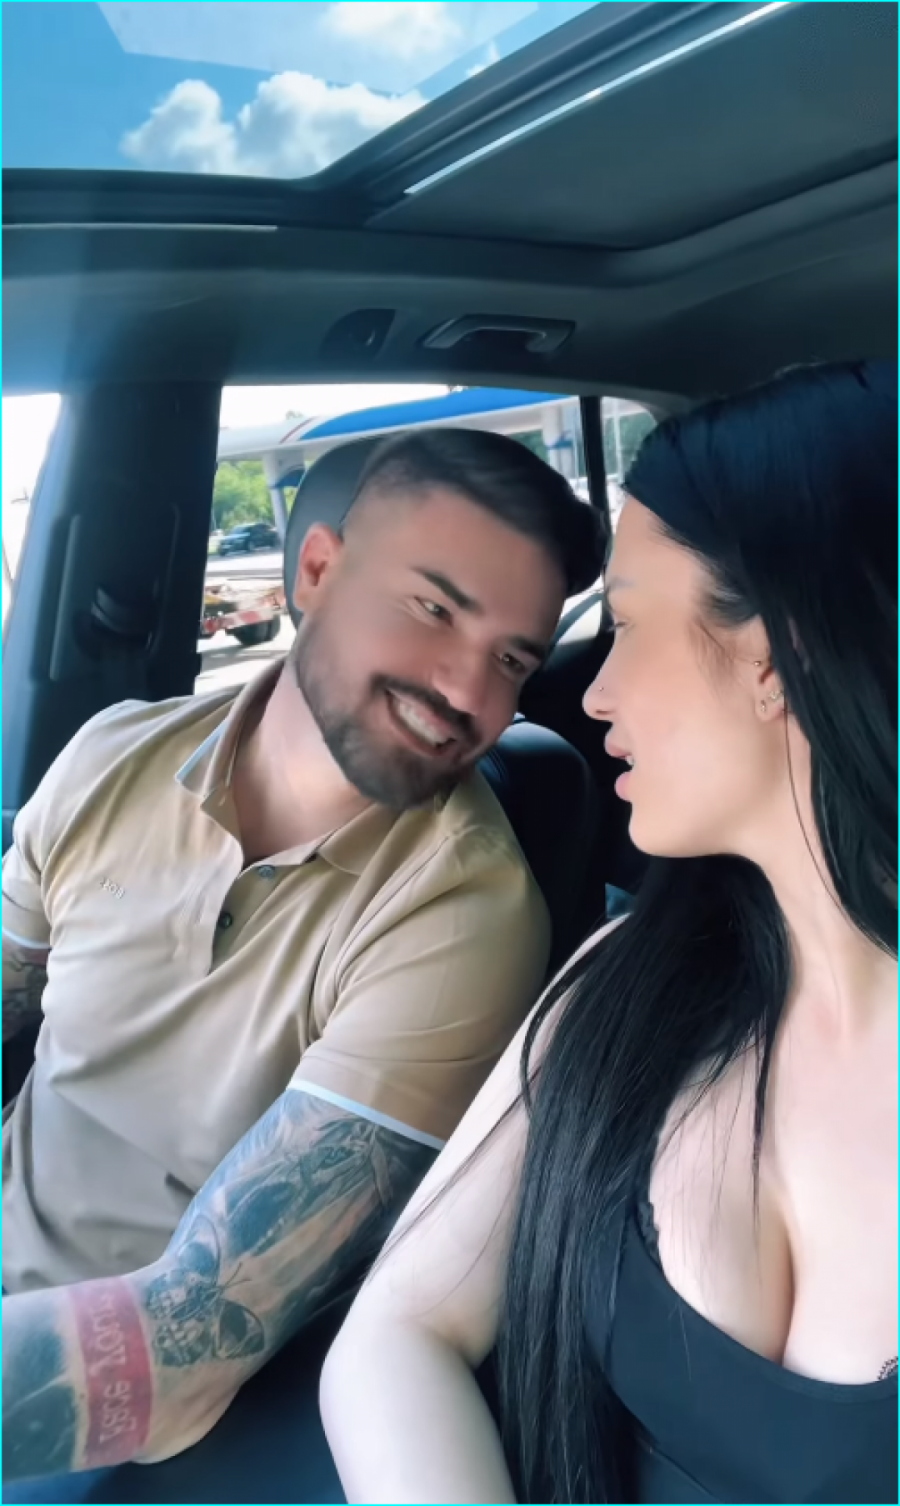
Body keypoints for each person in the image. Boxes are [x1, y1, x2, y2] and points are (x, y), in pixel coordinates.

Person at [321, 361, 898, 1505]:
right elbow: (396, 1332)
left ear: (777, 655)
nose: (590, 694)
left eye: (624, 625)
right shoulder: (621, 985)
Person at [1, 427, 603, 1486]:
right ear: (318, 571)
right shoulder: (111, 756)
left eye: (513, 658)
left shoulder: (463, 911)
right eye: (434, 609)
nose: (469, 690)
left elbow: (184, 1345)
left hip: (104, 1411)